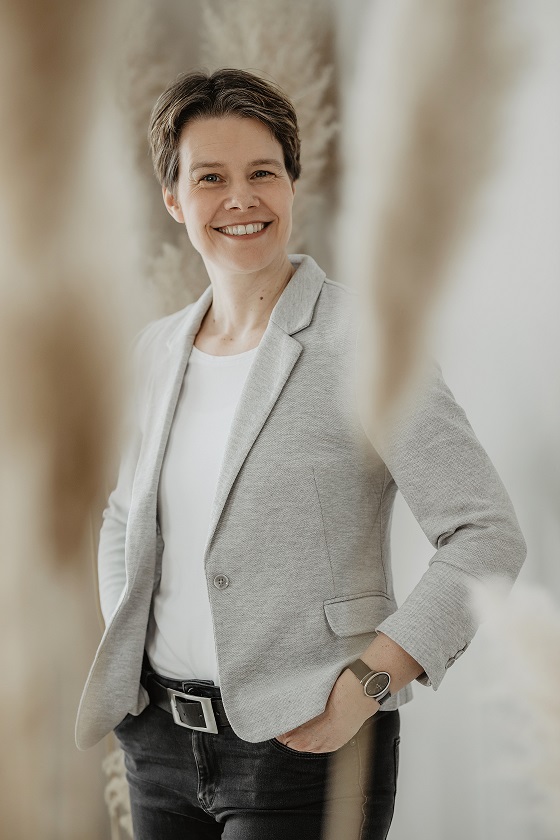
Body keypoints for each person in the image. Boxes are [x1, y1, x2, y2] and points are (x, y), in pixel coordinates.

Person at [75, 68, 527, 839]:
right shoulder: (154, 351)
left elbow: (486, 535)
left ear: (292, 184)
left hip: (306, 744)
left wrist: (367, 685)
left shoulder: (368, 342)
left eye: (262, 173)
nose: (241, 198)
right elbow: (123, 516)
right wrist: (128, 650)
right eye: (210, 177)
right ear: (173, 198)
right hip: (158, 746)